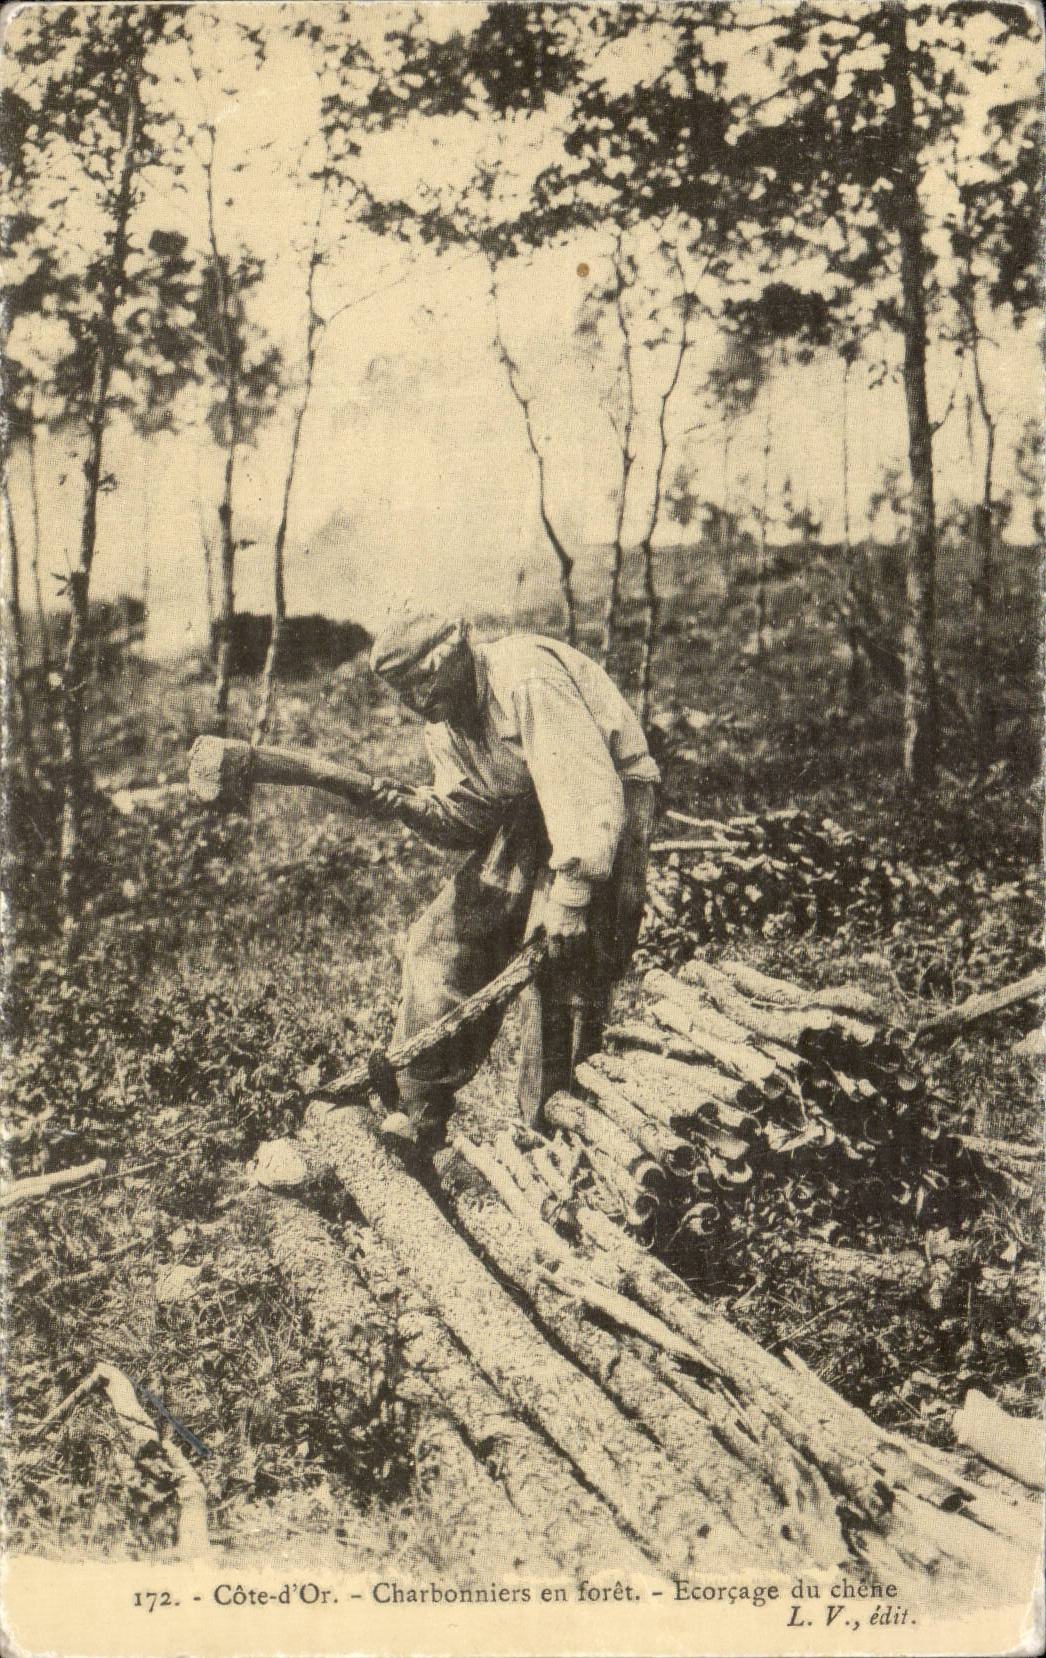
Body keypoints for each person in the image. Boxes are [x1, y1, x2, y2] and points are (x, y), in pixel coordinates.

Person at [368, 606, 660, 1151]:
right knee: (440, 945)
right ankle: (418, 1115)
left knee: (560, 968)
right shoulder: (445, 722)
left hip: (608, 809)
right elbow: (471, 817)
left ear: (457, 653)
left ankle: (557, 1137)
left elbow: (588, 794)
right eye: (406, 692)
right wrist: (409, 807)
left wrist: (571, 896)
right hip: (529, 816)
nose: (420, 702)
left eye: (426, 681)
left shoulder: (526, 680)